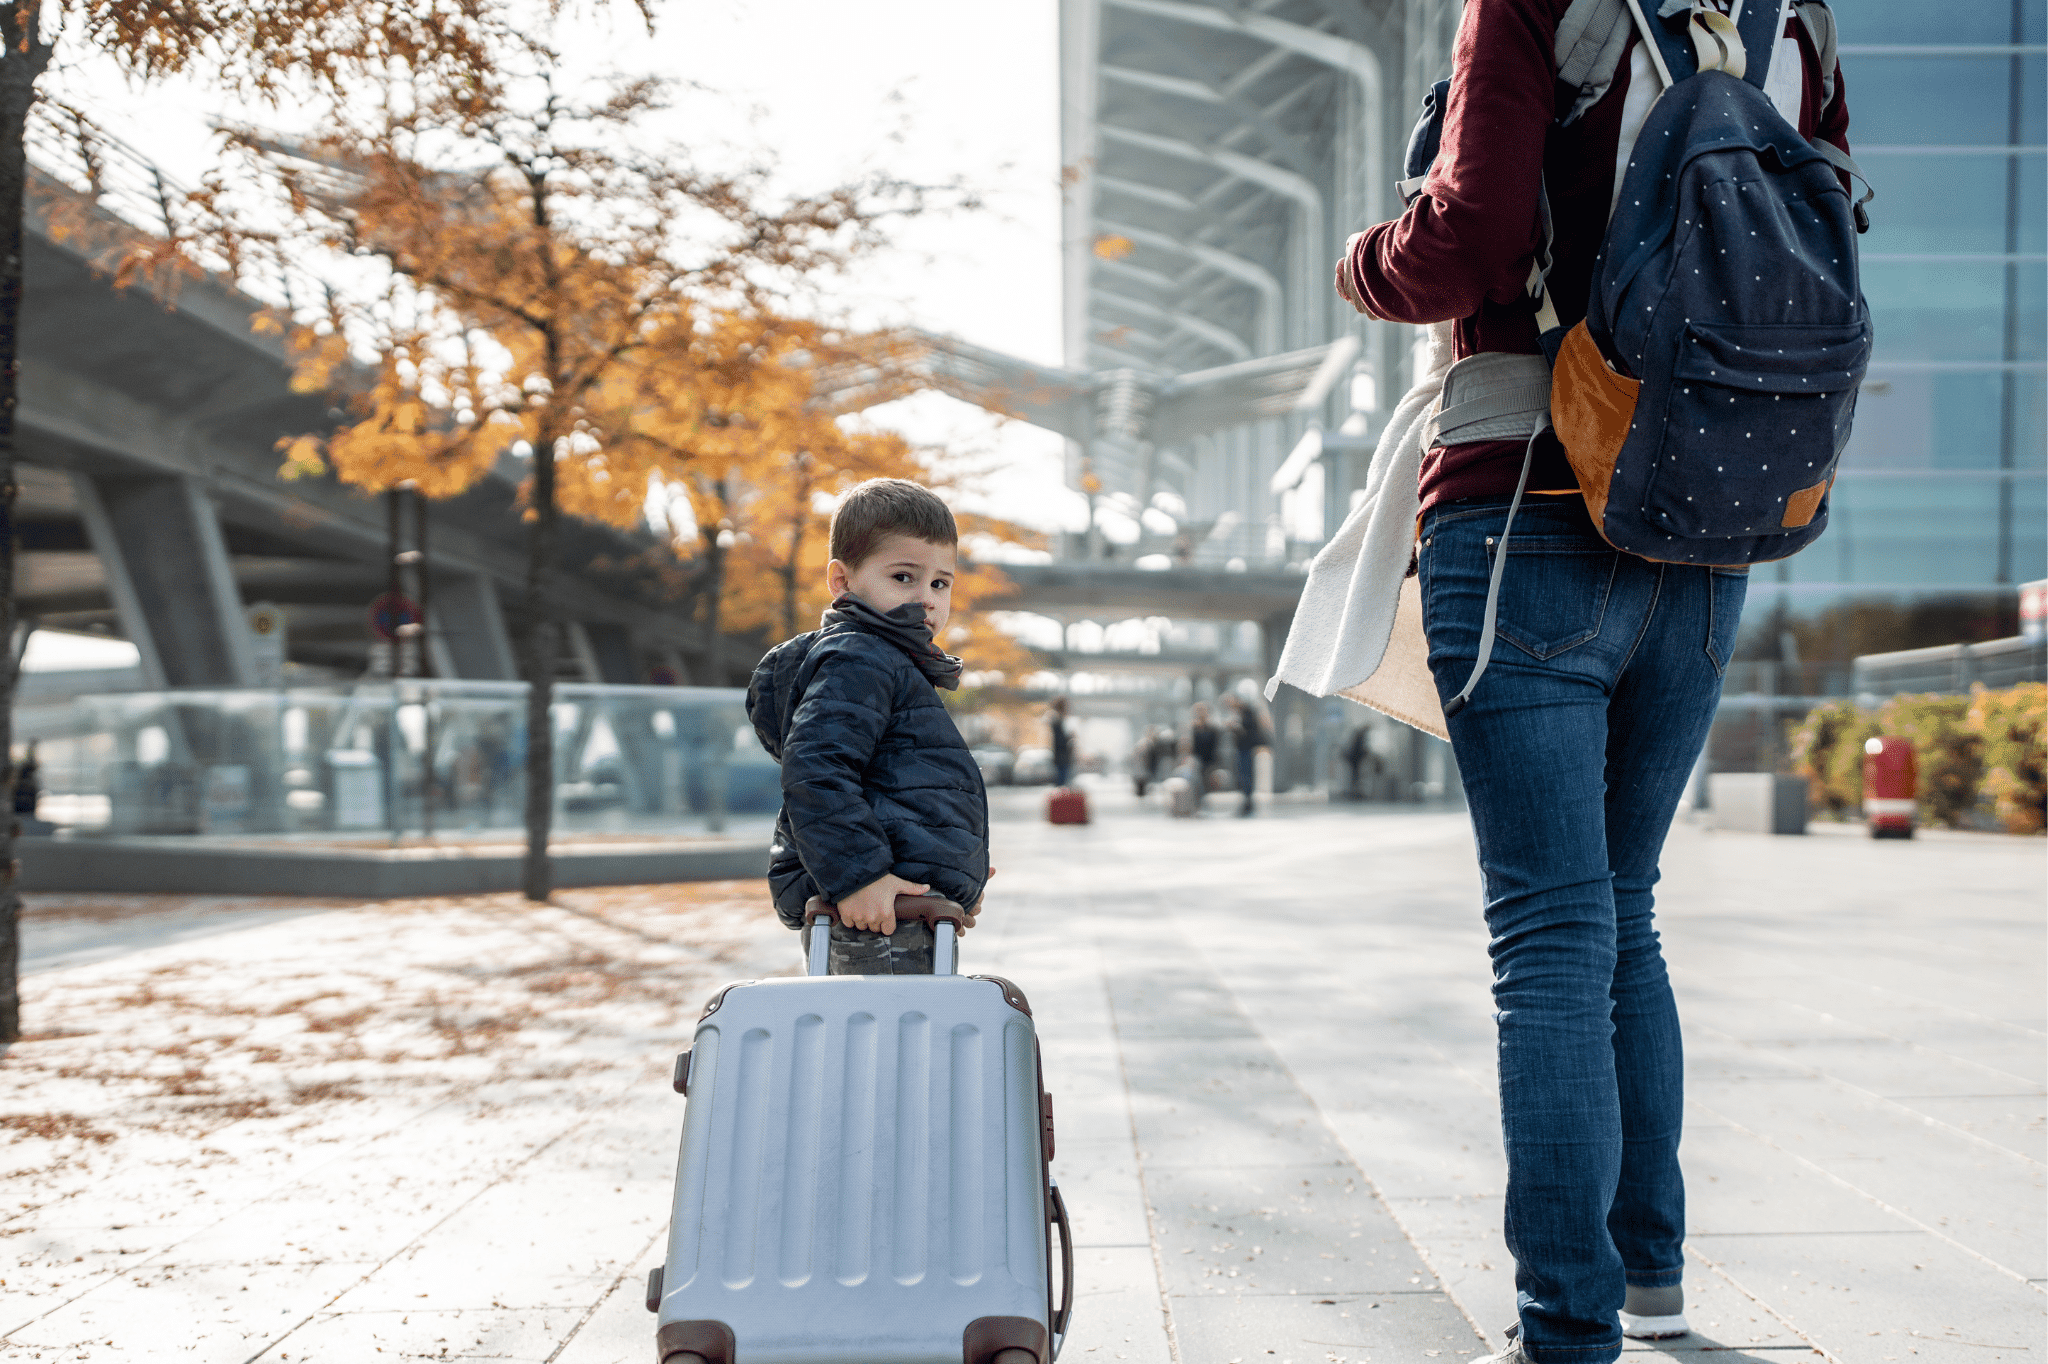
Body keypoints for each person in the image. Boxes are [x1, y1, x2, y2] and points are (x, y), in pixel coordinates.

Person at [1331, 2, 1853, 1359]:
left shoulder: (1531, 6)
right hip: (1708, 519)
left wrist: (1362, 265)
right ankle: (1652, 1279)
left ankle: (1567, 1328)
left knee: (1552, 938)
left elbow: (1471, 243)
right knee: (1625, 912)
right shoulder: (1795, 20)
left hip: (1524, 508)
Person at [746, 478, 988, 975]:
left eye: (940, 583)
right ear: (842, 580)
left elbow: (898, 788)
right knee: (882, 1044)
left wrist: (952, 874)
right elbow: (816, 770)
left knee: (902, 1041)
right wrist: (859, 878)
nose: (926, 598)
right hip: (871, 911)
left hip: (896, 904)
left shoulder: (890, 663)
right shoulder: (859, 659)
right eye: (904, 577)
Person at [1222, 695, 1270, 818]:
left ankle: (1248, 803)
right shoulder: (1240, 713)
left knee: (1246, 776)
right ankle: (1246, 802)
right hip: (1242, 749)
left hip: (1247, 749)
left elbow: (1249, 730)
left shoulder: (1247, 712)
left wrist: (1235, 727)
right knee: (1243, 776)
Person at [1184, 702, 1219, 813]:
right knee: (1195, 782)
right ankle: (1196, 805)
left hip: (1209, 759)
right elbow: (1187, 745)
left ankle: (1204, 805)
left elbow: (1216, 744)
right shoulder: (1192, 727)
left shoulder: (1213, 728)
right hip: (1196, 759)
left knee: (1207, 783)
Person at [1046, 695, 1075, 789]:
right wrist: (1069, 738)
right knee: (1061, 784)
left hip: (1061, 756)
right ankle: (1060, 802)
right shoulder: (1057, 721)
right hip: (1062, 756)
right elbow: (1060, 740)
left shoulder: (1057, 720)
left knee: (1061, 782)